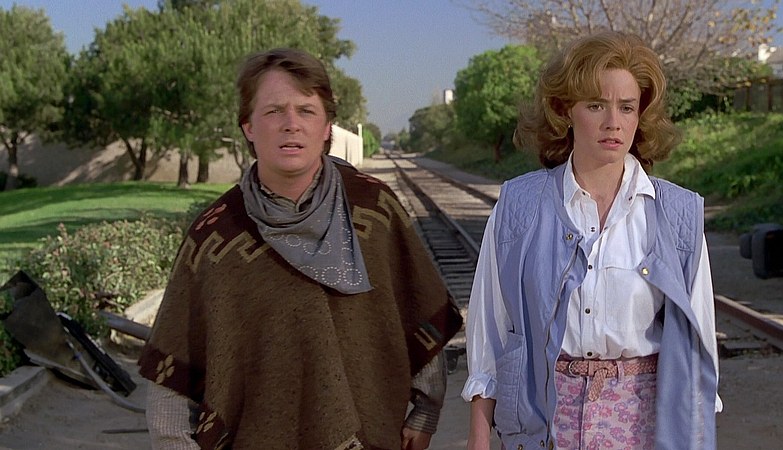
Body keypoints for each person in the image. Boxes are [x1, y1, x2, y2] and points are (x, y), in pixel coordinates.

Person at [138, 48, 462, 450]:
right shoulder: (216, 236)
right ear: (248, 126)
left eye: (306, 111)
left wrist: (426, 409)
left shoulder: (375, 209)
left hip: (373, 435)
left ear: (326, 127)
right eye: (274, 111)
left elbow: (417, 307)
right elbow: (172, 377)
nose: (291, 124)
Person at [462, 31, 722, 449]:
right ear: (565, 110)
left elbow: (700, 347)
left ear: (640, 116)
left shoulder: (678, 215)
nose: (613, 122)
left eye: (627, 107)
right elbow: (491, 331)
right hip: (546, 426)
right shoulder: (518, 206)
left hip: (644, 427)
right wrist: (478, 437)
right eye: (596, 105)